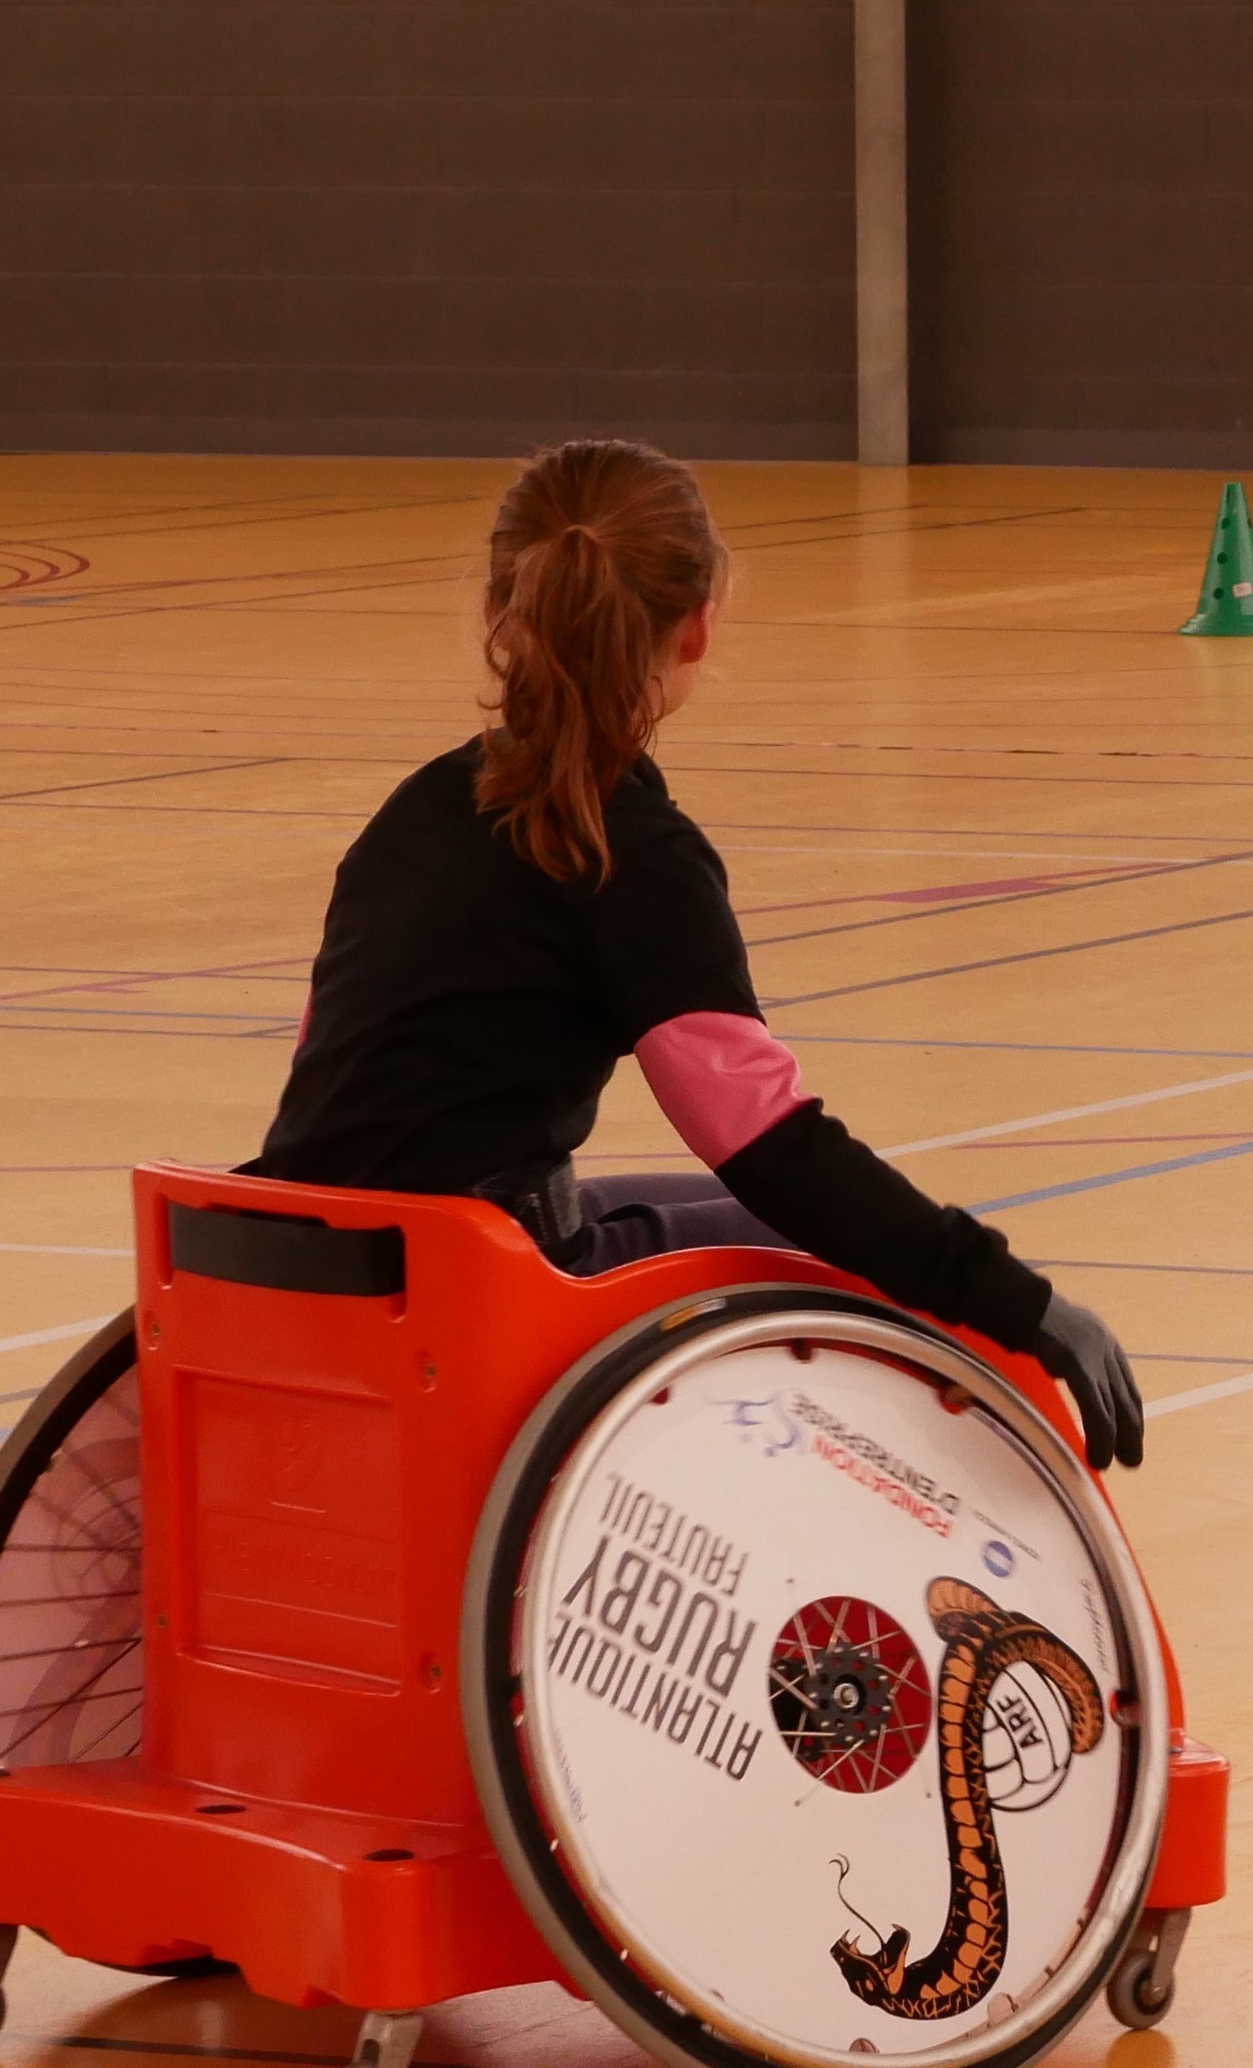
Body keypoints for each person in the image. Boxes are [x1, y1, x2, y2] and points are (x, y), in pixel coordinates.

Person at [250, 437, 1146, 1466]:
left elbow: (328, 1059)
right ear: (697, 627)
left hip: (302, 1246)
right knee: (845, 1264)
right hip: (467, 1284)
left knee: (718, 1218)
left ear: (503, 609)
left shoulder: (414, 810)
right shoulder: (628, 856)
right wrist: (1015, 1300)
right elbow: (769, 1147)